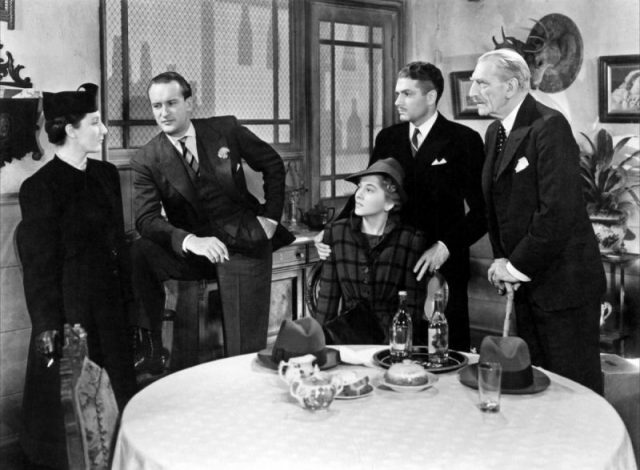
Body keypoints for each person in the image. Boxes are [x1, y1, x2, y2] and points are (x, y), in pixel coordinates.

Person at [316, 62, 486, 351]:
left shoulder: (464, 140)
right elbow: (367, 189)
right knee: (393, 347)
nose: (397, 102)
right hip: (394, 262)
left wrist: (445, 246)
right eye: (398, 94)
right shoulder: (389, 138)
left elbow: (483, 212)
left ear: (431, 97)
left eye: (407, 94)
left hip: (442, 263)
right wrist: (330, 232)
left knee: (443, 350)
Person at [130, 72, 293, 372]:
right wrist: (190, 241)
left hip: (244, 241)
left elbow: (272, 164)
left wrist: (270, 217)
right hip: (197, 252)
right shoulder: (148, 158)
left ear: (189, 104)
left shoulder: (225, 130)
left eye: (171, 103)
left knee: (244, 353)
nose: (163, 113)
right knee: (139, 251)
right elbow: (146, 219)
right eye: (156, 106)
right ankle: (150, 346)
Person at [469, 49, 605, 394]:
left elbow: (557, 212)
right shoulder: (494, 133)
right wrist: (503, 261)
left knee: (574, 393)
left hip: (565, 290)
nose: (472, 92)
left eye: (482, 83)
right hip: (529, 285)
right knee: (537, 392)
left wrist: (514, 267)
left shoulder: (549, 126)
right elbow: (498, 206)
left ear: (512, 86)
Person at [18, 83, 136, 469]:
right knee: (68, 428)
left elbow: (117, 245)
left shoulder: (106, 175)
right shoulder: (39, 188)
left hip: (109, 305)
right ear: (69, 129)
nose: (103, 131)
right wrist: (48, 328)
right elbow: (39, 268)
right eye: (96, 122)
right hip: (71, 312)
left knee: (117, 408)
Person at [315, 158, 426, 342]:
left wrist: (402, 350)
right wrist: (318, 346)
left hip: (391, 341)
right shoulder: (337, 233)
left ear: (389, 203)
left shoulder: (410, 240)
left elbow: (412, 308)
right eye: (359, 187)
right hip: (347, 337)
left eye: (369, 190)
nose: (358, 195)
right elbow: (327, 299)